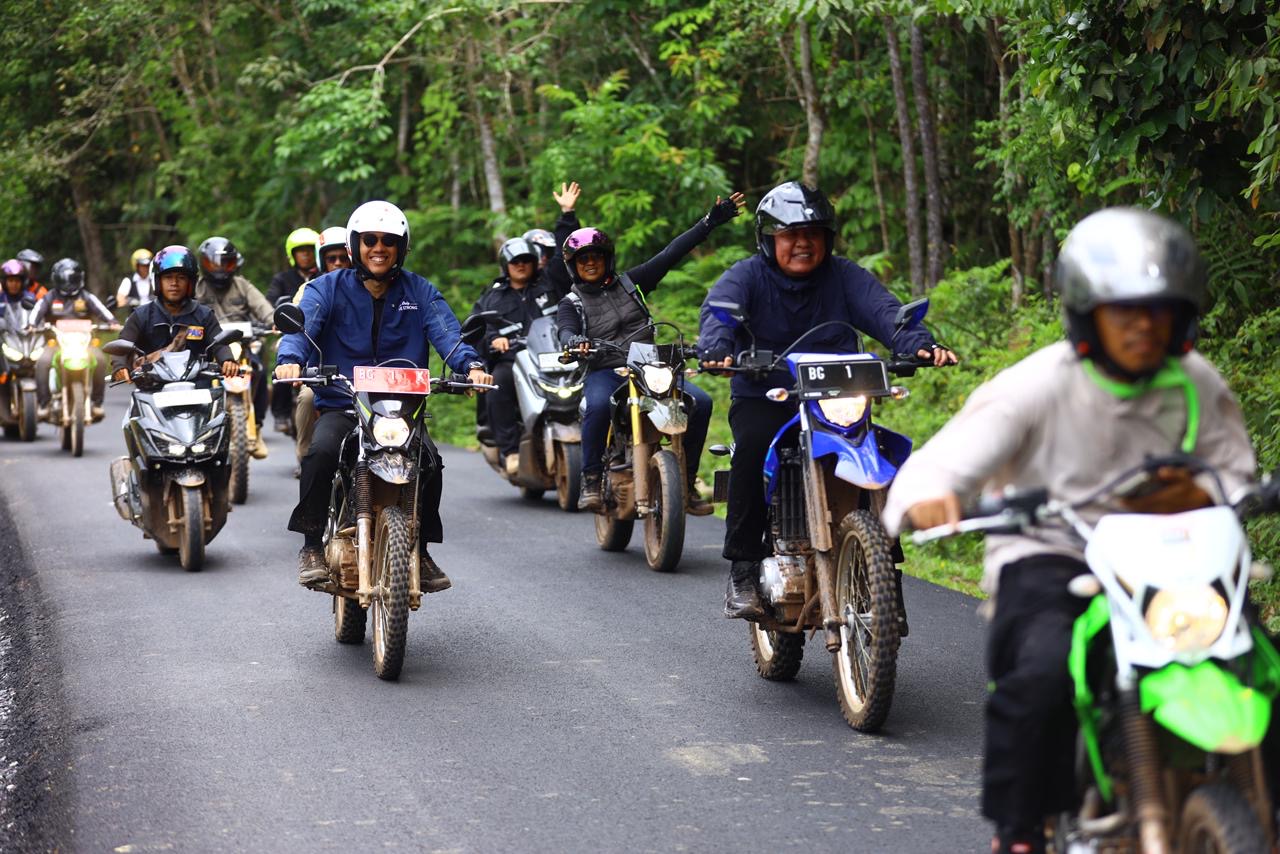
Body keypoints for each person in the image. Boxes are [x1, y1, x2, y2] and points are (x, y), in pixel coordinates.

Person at [879, 208, 1255, 854]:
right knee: (1045, 672)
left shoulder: (1196, 381)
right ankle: (1020, 831)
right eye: (1124, 313)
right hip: (1054, 550)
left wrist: (1226, 494)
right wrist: (929, 500)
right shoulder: (1036, 385)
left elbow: (1235, 471)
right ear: (1087, 315)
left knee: (1257, 665)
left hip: (1176, 559)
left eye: (1158, 312)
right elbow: (938, 465)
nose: (1143, 328)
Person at [697, 181, 957, 620]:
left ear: (827, 239)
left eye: (813, 234)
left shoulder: (843, 276)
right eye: (790, 235)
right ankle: (742, 569)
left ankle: (880, 566)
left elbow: (886, 312)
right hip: (766, 393)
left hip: (836, 396)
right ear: (768, 239)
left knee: (881, 449)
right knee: (753, 448)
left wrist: (918, 344)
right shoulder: (746, 276)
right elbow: (720, 312)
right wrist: (717, 348)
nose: (803, 243)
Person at [275, 200, 491, 590]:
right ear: (356, 244)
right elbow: (301, 330)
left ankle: (420, 550)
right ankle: (310, 545)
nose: (379, 247)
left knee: (430, 461)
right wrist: (290, 360)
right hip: (345, 405)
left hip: (402, 413)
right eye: (370, 239)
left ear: (401, 247)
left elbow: (448, 335)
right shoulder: (326, 289)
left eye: (388, 240)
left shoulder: (420, 291)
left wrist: (471, 367)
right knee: (321, 453)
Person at [556, 190, 745, 513]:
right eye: (583, 259)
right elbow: (565, 330)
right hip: (605, 370)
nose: (590, 263)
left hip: (650, 368)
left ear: (607, 259)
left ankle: (685, 481)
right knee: (599, 406)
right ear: (574, 266)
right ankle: (590, 478)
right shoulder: (571, 302)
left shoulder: (632, 283)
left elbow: (672, 253)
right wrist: (574, 341)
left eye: (596, 257)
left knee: (701, 401)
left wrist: (710, 222)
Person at [472, 236, 563, 476]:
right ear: (506, 265)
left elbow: (564, 260)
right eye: (515, 261)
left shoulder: (549, 285)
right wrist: (493, 340)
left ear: (535, 262)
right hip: (512, 361)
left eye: (526, 260)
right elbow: (477, 329)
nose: (521, 265)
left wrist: (567, 216)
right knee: (498, 383)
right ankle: (511, 451)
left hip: (554, 358)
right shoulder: (493, 297)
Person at [194, 236, 274, 458]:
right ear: (204, 264)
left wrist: (275, 321)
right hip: (208, 350)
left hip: (242, 345)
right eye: (214, 264)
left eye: (225, 263)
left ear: (234, 264)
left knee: (259, 370)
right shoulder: (197, 288)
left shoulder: (243, 285)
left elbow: (264, 309)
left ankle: (255, 428)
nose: (220, 269)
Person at [110, 245, 238, 384]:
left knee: (219, 405)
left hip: (197, 391)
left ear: (191, 282)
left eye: (181, 277)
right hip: (152, 389)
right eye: (168, 277)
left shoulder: (204, 315)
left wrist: (227, 360)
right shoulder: (142, 315)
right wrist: (119, 366)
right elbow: (123, 344)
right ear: (158, 281)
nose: (174, 283)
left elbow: (219, 343)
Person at [290, 226, 352, 473]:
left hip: (367, 376)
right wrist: (291, 361)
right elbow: (296, 328)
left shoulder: (372, 289)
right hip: (321, 374)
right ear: (322, 261)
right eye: (331, 258)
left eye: (343, 258)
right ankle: (306, 458)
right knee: (307, 397)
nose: (337, 263)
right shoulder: (310, 290)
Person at [30, 258, 115, 422]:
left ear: (79, 279)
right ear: (57, 279)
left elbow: (104, 312)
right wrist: (32, 325)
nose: (68, 283)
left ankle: (97, 403)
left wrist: (112, 323)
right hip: (56, 344)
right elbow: (36, 312)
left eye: (73, 279)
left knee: (100, 360)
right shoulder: (49, 297)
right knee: (42, 362)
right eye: (64, 279)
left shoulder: (86, 296)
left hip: (85, 344)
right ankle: (44, 404)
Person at [267, 227, 321, 433]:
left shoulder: (326, 277)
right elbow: (270, 302)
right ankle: (280, 411)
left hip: (318, 334)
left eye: (309, 249)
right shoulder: (283, 279)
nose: (306, 254)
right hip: (290, 332)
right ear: (293, 254)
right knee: (284, 361)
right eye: (301, 250)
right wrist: (274, 318)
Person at [116, 248, 153, 313]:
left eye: (148, 265)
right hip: (134, 317)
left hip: (153, 315)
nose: (146, 268)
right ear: (137, 266)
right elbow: (119, 301)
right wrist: (131, 301)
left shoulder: (154, 279)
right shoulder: (128, 281)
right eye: (143, 265)